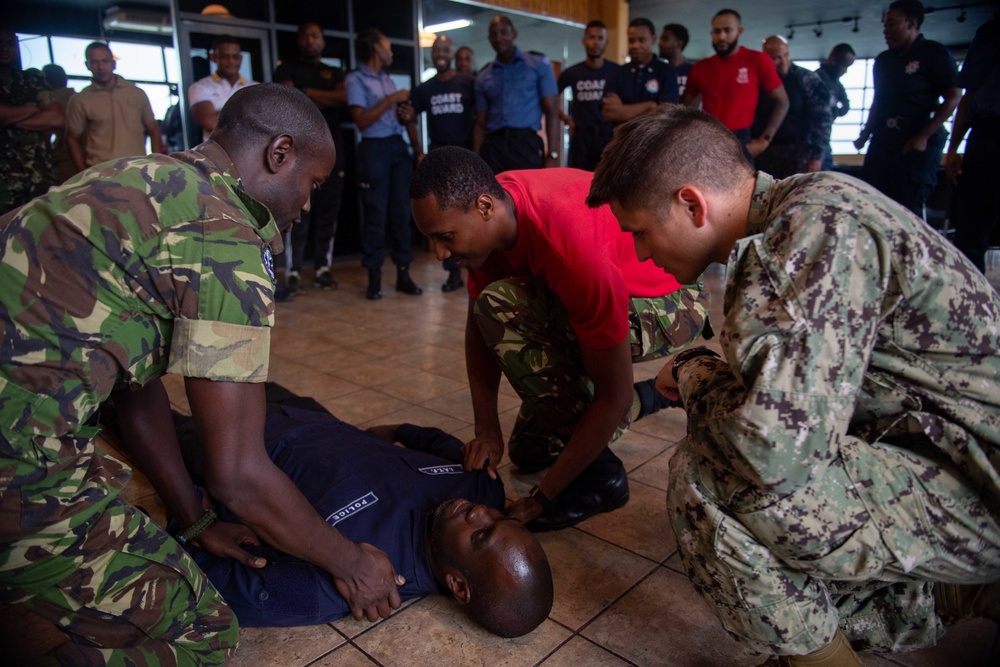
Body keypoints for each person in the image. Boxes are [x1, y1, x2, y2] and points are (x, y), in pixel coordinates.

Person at [0, 84, 409, 663]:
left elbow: (133, 388)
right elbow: (238, 475)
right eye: (312, 183)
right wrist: (352, 562)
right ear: (279, 153)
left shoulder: (135, 177)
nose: (309, 204)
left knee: (117, 507)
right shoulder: (224, 240)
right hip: (12, 456)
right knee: (198, 629)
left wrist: (190, 519)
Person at [588, 105, 1000, 666]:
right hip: (953, 453)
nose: (638, 251)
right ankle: (958, 592)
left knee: (707, 477)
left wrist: (695, 373)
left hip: (981, 485)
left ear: (691, 203)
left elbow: (773, 454)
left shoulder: (807, 232)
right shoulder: (810, 205)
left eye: (639, 231)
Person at [410, 147, 712, 531]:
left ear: (485, 206)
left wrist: (544, 497)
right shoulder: (492, 214)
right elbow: (478, 330)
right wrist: (487, 430)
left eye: (445, 237)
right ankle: (654, 394)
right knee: (528, 452)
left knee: (503, 307)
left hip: (671, 300)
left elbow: (612, 395)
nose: (439, 254)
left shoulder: (570, 247)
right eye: (431, 240)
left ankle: (604, 479)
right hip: (598, 289)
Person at [167, 383, 553, 637]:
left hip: (238, 443)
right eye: (500, 515)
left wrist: (189, 512)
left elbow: (206, 583)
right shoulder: (480, 486)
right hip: (312, 414)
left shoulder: (351, 580)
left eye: (482, 534)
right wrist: (397, 431)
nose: (481, 512)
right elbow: (441, 444)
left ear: (457, 585)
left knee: (137, 396)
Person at [855, 0, 960, 219]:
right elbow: (878, 100)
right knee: (869, 204)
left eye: (892, 24)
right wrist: (865, 133)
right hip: (884, 141)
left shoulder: (934, 53)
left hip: (916, 147)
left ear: (911, 23)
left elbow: (953, 97)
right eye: (884, 25)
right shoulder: (884, 61)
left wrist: (924, 135)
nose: (886, 30)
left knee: (905, 210)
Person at [346, 28, 423, 300]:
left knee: (402, 213)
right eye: (388, 47)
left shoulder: (389, 79)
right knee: (375, 214)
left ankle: (404, 274)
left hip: (397, 147)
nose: (391, 52)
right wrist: (391, 100)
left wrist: (404, 114)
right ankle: (374, 278)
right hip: (373, 149)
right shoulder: (356, 79)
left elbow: (397, 116)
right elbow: (362, 120)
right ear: (377, 49)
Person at [274, 21, 349, 293]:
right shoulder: (286, 68)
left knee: (328, 211)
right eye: (304, 35)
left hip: (331, 149)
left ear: (322, 41)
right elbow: (290, 98)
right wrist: (308, 96)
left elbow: (343, 99)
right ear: (299, 40)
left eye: (315, 36)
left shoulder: (333, 71)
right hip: (298, 150)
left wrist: (307, 93)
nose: (309, 40)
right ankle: (293, 271)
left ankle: (322, 268)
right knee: (297, 211)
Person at [410, 34, 476, 292]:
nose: (440, 54)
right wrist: (418, 151)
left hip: (467, 156)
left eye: (445, 50)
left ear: (452, 54)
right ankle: (453, 274)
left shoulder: (468, 82)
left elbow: (482, 116)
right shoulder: (425, 88)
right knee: (446, 215)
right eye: (436, 49)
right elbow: (408, 116)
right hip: (439, 158)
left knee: (469, 213)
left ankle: (475, 268)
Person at [682, 9, 788, 164]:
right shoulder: (700, 67)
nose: (722, 36)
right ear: (711, 33)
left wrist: (765, 140)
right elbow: (686, 108)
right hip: (709, 139)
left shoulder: (758, 60)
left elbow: (783, 101)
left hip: (743, 140)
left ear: (739, 31)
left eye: (728, 30)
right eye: (717, 31)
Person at [473, 15, 561, 173]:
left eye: (504, 32)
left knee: (527, 196)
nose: (499, 38)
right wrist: (475, 160)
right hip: (494, 147)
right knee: (494, 197)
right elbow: (480, 124)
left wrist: (553, 155)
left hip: (526, 145)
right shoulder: (483, 76)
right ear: (489, 38)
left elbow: (552, 111)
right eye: (494, 34)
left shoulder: (538, 64)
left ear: (514, 34)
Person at [947, 18, 1000, 274]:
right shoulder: (989, 32)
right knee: (970, 231)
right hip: (984, 135)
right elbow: (967, 95)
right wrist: (953, 148)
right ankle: (969, 303)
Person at [65, 41, 164, 172]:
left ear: (113, 63)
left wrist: (156, 164)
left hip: (137, 170)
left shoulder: (136, 93)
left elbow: (154, 129)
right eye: (94, 62)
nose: (100, 67)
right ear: (87, 65)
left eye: (105, 61)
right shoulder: (80, 99)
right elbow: (72, 139)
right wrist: (84, 173)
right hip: (100, 172)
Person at [752, 36, 833, 178]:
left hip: (800, 153)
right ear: (765, 58)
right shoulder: (756, 80)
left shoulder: (806, 78)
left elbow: (822, 119)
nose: (783, 62)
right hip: (766, 154)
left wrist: (816, 156)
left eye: (786, 55)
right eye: (776, 58)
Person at [0, 28, 61, 214]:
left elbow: (56, 118)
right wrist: (30, 109)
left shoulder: (32, 80)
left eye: (10, 43)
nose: (5, 48)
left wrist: (8, 117)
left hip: (39, 174)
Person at [556, 20, 618, 171]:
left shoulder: (617, 71)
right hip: (581, 137)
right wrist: (566, 120)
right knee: (577, 181)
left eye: (600, 38)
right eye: (591, 37)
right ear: (585, 40)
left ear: (606, 42)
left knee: (608, 183)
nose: (595, 42)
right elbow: (550, 99)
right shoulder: (572, 72)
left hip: (608, 136)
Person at [602, 18, 677, 127]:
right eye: (631, 41)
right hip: (623, 140)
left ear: (653, 39)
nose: (636, 46)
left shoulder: (667, 71)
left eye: (642, 40)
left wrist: (622, 110)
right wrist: (650, 107)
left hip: (655, 141)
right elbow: (609, 113)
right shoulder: (616, 73)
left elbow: (666, 114)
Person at [188, 35, 256, 142]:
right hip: (215, 155)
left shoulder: (256, 87)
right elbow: (209, 122)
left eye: (235, 57)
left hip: (250, 153)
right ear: (213, 58)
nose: (231, 62)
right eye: (225, 57)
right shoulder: (200, 87)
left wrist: (221, 113)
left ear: (241, 58)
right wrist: (249, 109)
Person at [815, 43, 856, 171]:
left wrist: (834, 112)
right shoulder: (815, 79)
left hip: (825, 140)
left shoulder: (837, 84)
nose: (845, 71)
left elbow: (846, 104)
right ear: (834, 60)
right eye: (844, 66)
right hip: (812, 141)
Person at [41, 63, 77, 184]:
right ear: (65, 78)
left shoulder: (49, 102)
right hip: (89, 157)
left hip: (64, 159)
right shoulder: (79, 98)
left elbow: (46, 134)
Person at [658, 23, 693, 97]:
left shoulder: (692, 71)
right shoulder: (659, 71)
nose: (660, 43)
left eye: (665, 39)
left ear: (679, 43)